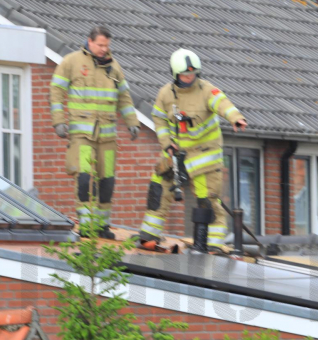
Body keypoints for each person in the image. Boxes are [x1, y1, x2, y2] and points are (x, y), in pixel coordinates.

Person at [138, 48, 247, 252]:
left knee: (207, 199)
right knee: (158, 189)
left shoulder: (207, 90)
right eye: (184, 74)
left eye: (192, 74)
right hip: (176, 153)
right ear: (175, 74)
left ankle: (210, 244)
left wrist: (236, 118)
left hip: (204, 156)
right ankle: (149, 235)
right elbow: (159, 120)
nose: (188, 78)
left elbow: (222, 103)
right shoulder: (165, 94)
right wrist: (166, 143)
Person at [49, 26, 140, 239]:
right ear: (89, 42)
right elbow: (56, 91)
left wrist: (132, 122)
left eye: (106, 45)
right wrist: (59, 121)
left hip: (107, 137)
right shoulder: (72, 62)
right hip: (82, 135)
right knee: (84, 179)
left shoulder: (114, 67)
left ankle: (102, 226)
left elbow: (124, 97)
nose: (103, 49)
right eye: (100, 45)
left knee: (107, 181)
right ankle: (86, 226)